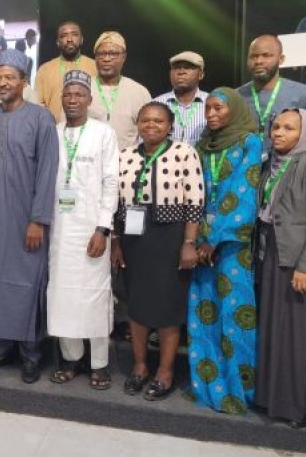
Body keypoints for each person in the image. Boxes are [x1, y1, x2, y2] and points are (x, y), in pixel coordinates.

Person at [0, 49, 59, 383]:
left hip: (27, 217)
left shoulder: (41, 118)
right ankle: (0, 348)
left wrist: (38, 219)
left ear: (25, 82)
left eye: (10, 77)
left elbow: (48, 172)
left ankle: (31, 354)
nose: (3, 83)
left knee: (27, 284)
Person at [112, 102, 204, 400]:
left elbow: (195, 201)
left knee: (167, 308)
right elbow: (114, 203)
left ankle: (165, 371)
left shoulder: (184, 153)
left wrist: (189, 243)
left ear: (170, 126)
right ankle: (140, 366)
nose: (151, 125)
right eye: (145, 120)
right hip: (133, 238)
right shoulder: (124, 156)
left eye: (158, 121)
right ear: (138, 123)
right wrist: (115, 242)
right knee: (136, 306)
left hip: (169, 238)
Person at [253, 109, 306, 429]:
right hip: (269, 252)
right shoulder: (267, 163)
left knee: (298, 337)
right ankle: (270, 399)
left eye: (289, 128)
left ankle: (297, 408)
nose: (279, 133)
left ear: (305, 133)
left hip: (298, 260)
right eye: (276, 127)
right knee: (273, 331)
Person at [187, 87, 262, 415]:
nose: (212, 114)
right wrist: (196, 239)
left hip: (232, 247)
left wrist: (215, 239)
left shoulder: (250, 142)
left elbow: (244, 194)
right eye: (209, 109)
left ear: (235, 110)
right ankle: (207, 385)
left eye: (219, 108)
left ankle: (239, 389)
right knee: (203, 313)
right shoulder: (203, 145)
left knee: (234, 317)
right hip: (202, 243)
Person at [46, 71, 119, 391]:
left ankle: (100, 363)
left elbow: (111, 183)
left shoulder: (104, 133)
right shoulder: (53, 132)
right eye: (67, 95)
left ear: (90, 99)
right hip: (60, 231)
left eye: (79, 95)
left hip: (92, 230)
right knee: (62, 295)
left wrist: (103, 228)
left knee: (94, 296)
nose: (72, 100)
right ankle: (71, 358)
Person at [238, 35, 306, 153]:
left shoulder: (305, 94)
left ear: (281, 59)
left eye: (266, 55)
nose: (258, 61)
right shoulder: (235, 97)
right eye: (253, 56)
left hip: (287, 167)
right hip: (244, 168)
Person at [88, 32, 152, 150]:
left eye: (113, 54)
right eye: (101, 54)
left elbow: (149, 132)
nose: (106, 59)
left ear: (124, 57)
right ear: (95, 57)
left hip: (127, 163)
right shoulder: (83, 89)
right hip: (89, 162)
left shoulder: (139, 92)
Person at [34, 22, 98, 122]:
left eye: (74, 34)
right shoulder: (45, 69)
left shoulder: (94, 67)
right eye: (64, 36)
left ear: (81, 40)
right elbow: (37, 103)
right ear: (58, 42)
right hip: (53, 131)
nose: (69, 39)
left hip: (88, 132)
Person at [154, 51, 209, 146]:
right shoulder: (156, 104)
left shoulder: (211, 103)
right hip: (166, 160)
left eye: (188, 67)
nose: (181, 72)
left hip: (200, 160)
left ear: (201, 75)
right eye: (176, 68)